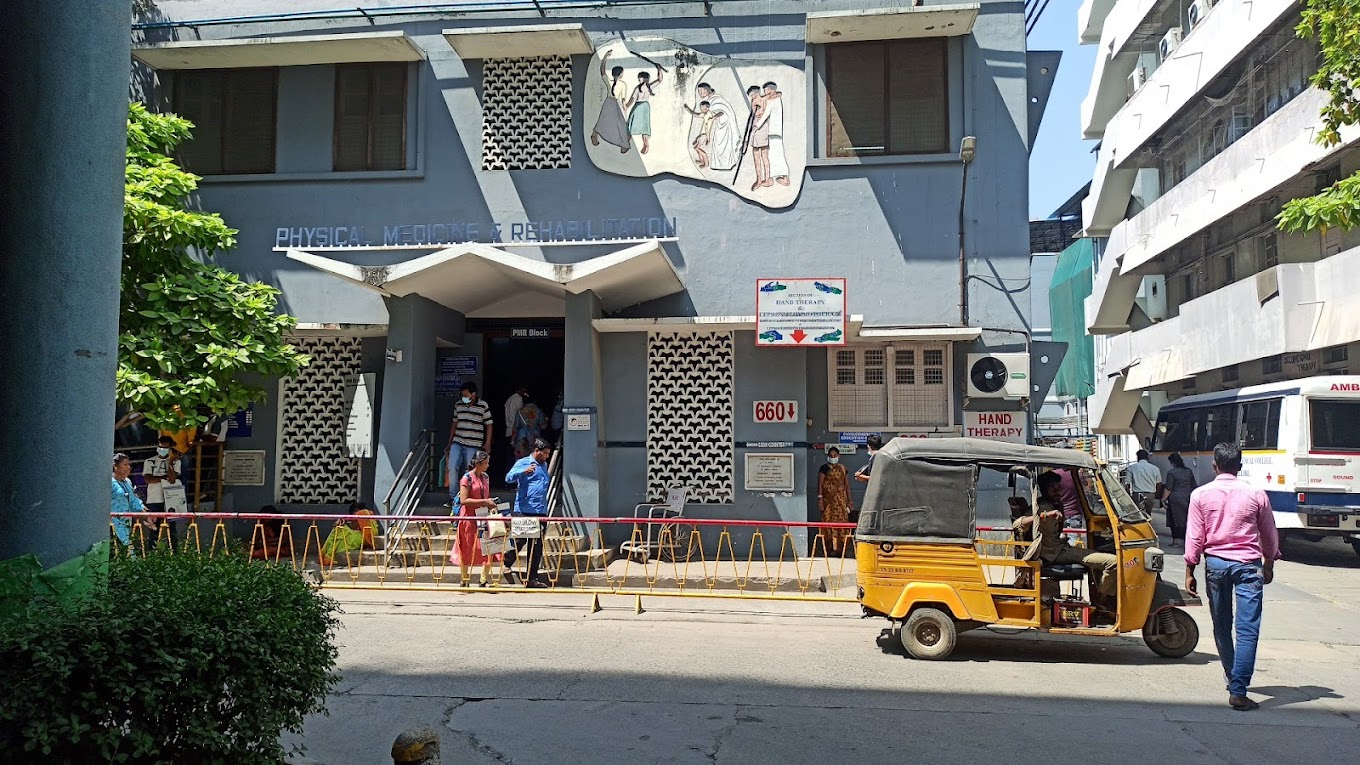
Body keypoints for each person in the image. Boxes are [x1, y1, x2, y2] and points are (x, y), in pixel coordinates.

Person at [1184, 442, 1280, 711]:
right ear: (1240, 466)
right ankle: (1238, 689)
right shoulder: (1256, 494)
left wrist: (1190, 570)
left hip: (1215, 565)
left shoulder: (1200, 495)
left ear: (1214, 465)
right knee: (1247, 630)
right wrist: (1269, 562)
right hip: (1249, 566)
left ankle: (1232, 675)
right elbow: (1269, 534)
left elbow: (1194, 536)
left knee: (1222, 625)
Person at [1013, 471, 1119, 600]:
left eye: (1059, 488)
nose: (1058, 492)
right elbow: (1017, 524)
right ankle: (1102, 600)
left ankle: (1099, 595)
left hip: (1061, 549)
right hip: (1053, 554)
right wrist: (1046, 515)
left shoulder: (1054, 505)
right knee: (1113, 562)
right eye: (1053, 488)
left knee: (1099, 560)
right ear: (1044, 489)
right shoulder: (1041, 506)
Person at [449, 451, 502, 586]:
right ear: (478, 463)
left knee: (489, 546)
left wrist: (490, 503)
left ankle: (483, 579)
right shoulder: (466, 478)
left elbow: (486, 495)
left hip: (483, 516)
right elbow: (464, 500)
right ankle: (464, 579)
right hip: (468, 518)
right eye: (485, 463)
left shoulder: (485, 477)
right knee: (466, 547)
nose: (488, 465)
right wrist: (485, 501)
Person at [506, 438, 553, 588]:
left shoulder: (544, 465)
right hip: (524, 510)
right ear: (537, 451)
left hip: (540, 510)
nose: (547, 456)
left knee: (536, 546)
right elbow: (508, 478)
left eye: (548, 454)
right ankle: (506, 561)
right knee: (520, 540)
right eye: (545, 453)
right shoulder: (523, 462)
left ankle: (532, 578)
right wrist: (523, 471)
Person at [447, 382, 493, 503]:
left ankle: (468, 496)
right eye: (462, 395)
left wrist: (488, 442)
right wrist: (450, 442)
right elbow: (454, 423)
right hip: (458, 441)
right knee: (452, 467)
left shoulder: (483, 405)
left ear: (473, 394)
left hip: (474, 443)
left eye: (466, 395)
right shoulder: (458, 405)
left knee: (470, 470)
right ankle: (454, 498)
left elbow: (489, 424)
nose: (464, 397)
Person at [590, 50, 632, 153]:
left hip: (608, 103)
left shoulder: (609, 81)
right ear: (621, 74)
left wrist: (605, 59)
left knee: (604, 121)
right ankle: (624, 143)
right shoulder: (622, 84)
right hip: (615, 104)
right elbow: (623, 99)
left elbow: (602, 71)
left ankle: (596, 133)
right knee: (620, 124)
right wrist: (625, 109)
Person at [690, 82, 738, 171]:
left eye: (700, 91)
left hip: (725, 127)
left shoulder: (716, 99)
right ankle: (716, 164)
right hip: (719, 126)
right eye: (698, 91)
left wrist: (714, 117)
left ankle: (724, 164)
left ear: (706, 90)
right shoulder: (710, 100)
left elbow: (722, 111)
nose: (699, 93)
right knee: (717, 146)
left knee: (723, 146)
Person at [142, 435, 182, 539]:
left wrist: (171, 461)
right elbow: (148, 479)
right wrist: (165, 478)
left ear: (170, 448)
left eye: (165, 448)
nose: (162, 450)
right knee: (154, 528)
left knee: (172, 528)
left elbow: (172, 479)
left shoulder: (176, 462)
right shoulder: (149, 461)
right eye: (160, 447)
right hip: (154, 499)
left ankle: (173, 548)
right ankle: (152, 548)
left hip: (170, 499)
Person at [111, 453, 153, 550]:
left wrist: (145, 513)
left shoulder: (128, 482)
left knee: (127, 549)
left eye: (129, 465)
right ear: (115, 466)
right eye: (125, 465)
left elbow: (134, 500)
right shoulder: (109, 482)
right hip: (113, 522)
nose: (128, 467)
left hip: (126, 521)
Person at [817, 447, 853, 556]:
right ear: (828, 456)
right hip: (828, 501)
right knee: (828, 522)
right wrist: (820, 499)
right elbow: (820, 485)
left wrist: (849, 501)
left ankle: (841, 549)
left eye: (835, 455)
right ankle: (829, 548)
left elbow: (847, 486)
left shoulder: (842, 469)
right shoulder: (824, 468)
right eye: (831, 456)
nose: (833, 457)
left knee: (842, 522)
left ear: (839, 456)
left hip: (841, 499)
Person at [320, 502, 378, 566]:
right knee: (341, 532)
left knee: (341, 531)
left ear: (356, 510)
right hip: (364, 536)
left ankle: (329, 555)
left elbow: (354, 527)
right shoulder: (370, 513)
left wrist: (341, 524)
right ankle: (329, 555)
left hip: (363, 537)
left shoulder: (360, 513)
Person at [625, 66, 663, 154]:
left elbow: (632, 99)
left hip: (640, 106)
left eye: (640, 78)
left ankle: (633, 143)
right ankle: (638, 143)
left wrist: (626, 107)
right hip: (643, 106)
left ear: (645, 78)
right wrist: (659, 69)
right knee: (641, 126)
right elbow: (660, 79)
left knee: (633, 124)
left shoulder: (642, 88)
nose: (639, 79)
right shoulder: (646, 87)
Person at [1161, 452, 1197, 546]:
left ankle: (1175, 541)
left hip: (1175, 499)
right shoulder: (1188, 471)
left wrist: (1163, 499)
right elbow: (1194, 485)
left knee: (1174, 519)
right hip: (1187, 497)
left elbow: (1168, 488)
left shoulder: (1171, 472)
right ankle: (1188, 540)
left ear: (1172, 462)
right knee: (1187, 519)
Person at [760, 82, 791, 186]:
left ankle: (784, 178)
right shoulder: (776, 100)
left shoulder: (773, 101)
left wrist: (756, 125)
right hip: (775, 132)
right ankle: (777, 177)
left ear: (770, 89)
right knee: (774, 155)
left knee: (776, 155)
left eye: (766, 90)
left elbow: (765, 114)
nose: (765, 92)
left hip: (773, 132)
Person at [744, 85, 770, 190]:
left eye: (752, 94)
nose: (751, 97)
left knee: (764, 155)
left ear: (756, 93)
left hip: (762, 129)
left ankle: (766, 178)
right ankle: (759, 179)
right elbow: (753, 116)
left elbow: (761, 115)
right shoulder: (754, 102)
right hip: (755, 130)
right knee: (756, 155)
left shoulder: (763, 100)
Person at [1126, 450, 1163, 514]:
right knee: (1148, 513)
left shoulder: (1131, 467)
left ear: (1138, 457)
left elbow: (1127, 484)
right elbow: (1159, 484)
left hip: (1137, 495)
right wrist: (1155, 495)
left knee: (1138, 514)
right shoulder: (1155, 468)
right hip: (1150, 495)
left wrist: (1128, 495)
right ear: (1147, 457)